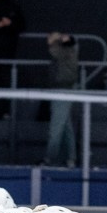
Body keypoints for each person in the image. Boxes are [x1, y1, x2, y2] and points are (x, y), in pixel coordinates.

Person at [43, 30, 82, 167]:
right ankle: (71, 158)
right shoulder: (68, 50)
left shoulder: (66, 50)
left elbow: (55, 51)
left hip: (63, 89)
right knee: (66, 126)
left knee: (57, 127)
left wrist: (53, 40)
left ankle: (49, 159)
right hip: (62, 88)